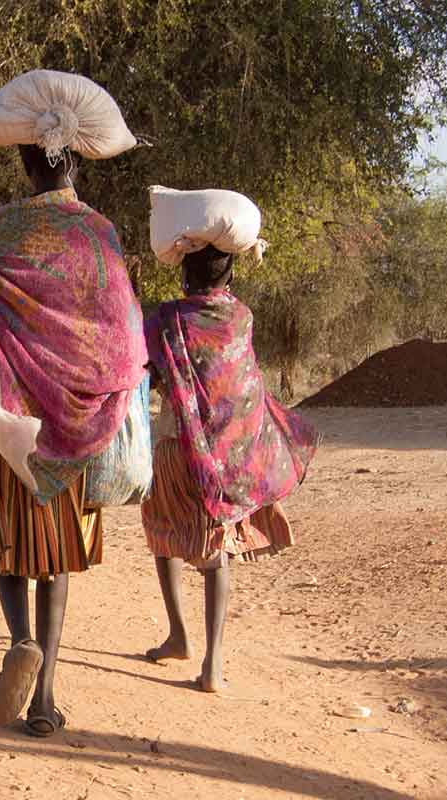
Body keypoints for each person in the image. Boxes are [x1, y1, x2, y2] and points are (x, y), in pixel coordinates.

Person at [0, 140, 144, 736]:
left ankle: (20, 640)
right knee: (57, 556)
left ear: (26, 164)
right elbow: (121, 326)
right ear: (75, 162)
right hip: (71, 422)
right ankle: (45, 695)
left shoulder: (3, 226)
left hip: (11, 420)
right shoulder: (99, 232)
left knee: (8, 542)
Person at [141, 244, 318, 692]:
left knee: (164, 532)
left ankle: (178, 634)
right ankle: (212, 664)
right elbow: (240, 383)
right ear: (230, 276)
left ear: (183, 275)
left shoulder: (165, 319)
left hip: (173, 444)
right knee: (215, 546)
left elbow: (149, 370)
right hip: (226, 453)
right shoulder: (242, 318)